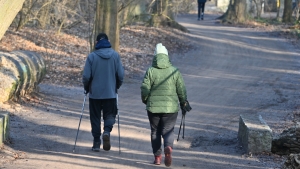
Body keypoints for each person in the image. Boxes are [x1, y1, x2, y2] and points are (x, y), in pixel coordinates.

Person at [140, 43, 191, 167]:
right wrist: (183, 102)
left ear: (155, 57)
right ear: (167, 56)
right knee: (168, 130)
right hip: (171, 108)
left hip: (153, 108)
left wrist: (146, 100)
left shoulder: (150, 71)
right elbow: (181, 89)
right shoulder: (175, 71)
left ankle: (157, 157)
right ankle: (168, 147)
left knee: (155, 131)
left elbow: (144, 89)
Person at [82, 33, 124, 152]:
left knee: (95, 117)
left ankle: (96, 142)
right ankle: (106, 131)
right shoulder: (115, 56)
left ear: (96, 43)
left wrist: (86, 87)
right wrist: (116, 86)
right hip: (110, 93)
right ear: (108, 41)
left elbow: (86, 76)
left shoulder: (92, 57)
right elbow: (120, 75)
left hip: (95, 93)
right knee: (110, 114)